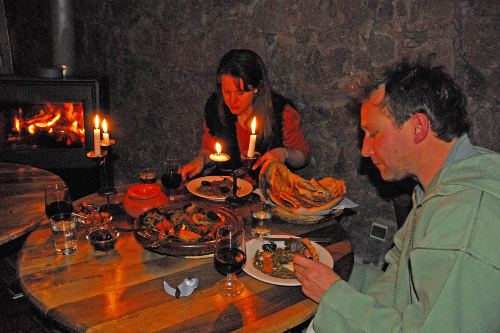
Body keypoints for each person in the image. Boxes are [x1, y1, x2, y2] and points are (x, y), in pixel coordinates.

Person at [294, 59, 500, 332]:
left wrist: (334, 295)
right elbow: (399, 286)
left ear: (418, 127)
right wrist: (337, 274)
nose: (365, 150)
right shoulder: (434, 189)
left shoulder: (465, 219)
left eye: (373, 133)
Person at [181, 49, 310, 180]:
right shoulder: (215, 108)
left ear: (256, 88)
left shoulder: (283, 113)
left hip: (269, 190)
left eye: (240, 93)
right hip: (228, 188)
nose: (232, 101)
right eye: (226, 91)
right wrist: (201, 159)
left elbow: (303, 156)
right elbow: (210, 150)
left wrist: (285, 153)